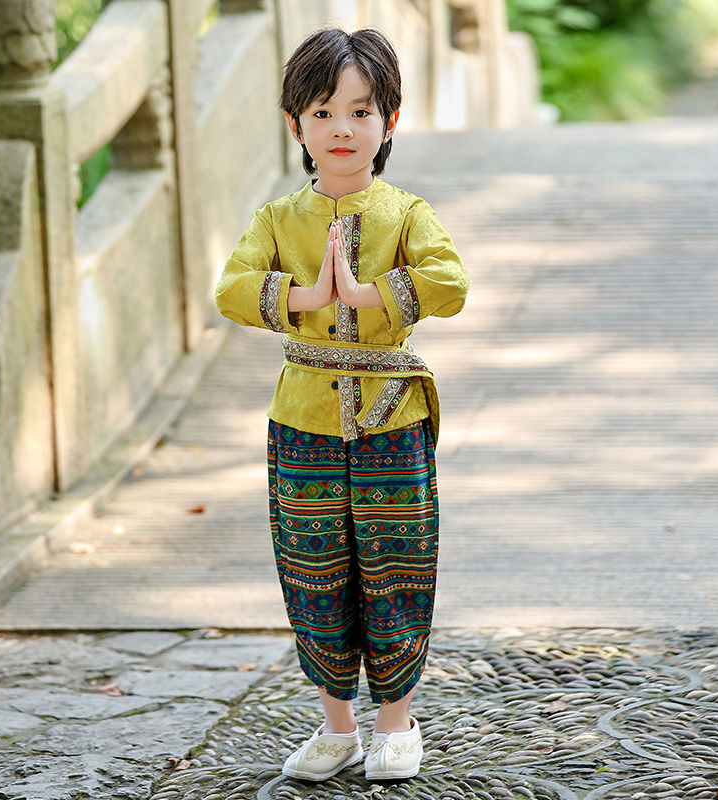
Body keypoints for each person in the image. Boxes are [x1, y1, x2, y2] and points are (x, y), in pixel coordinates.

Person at [215, 27, 468, 782]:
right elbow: (229, 289)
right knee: (313, 566)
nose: (343, 129)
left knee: (396, 564)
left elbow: (451, 281)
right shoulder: (276, 220)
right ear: (295, 125)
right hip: (302, 421)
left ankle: (397, 723)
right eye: (323, 112)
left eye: (361, 111)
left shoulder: (406, 211)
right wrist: (304, 295)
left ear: (389, 122)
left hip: (393, 416)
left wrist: (372, 294)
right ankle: (337, 726)